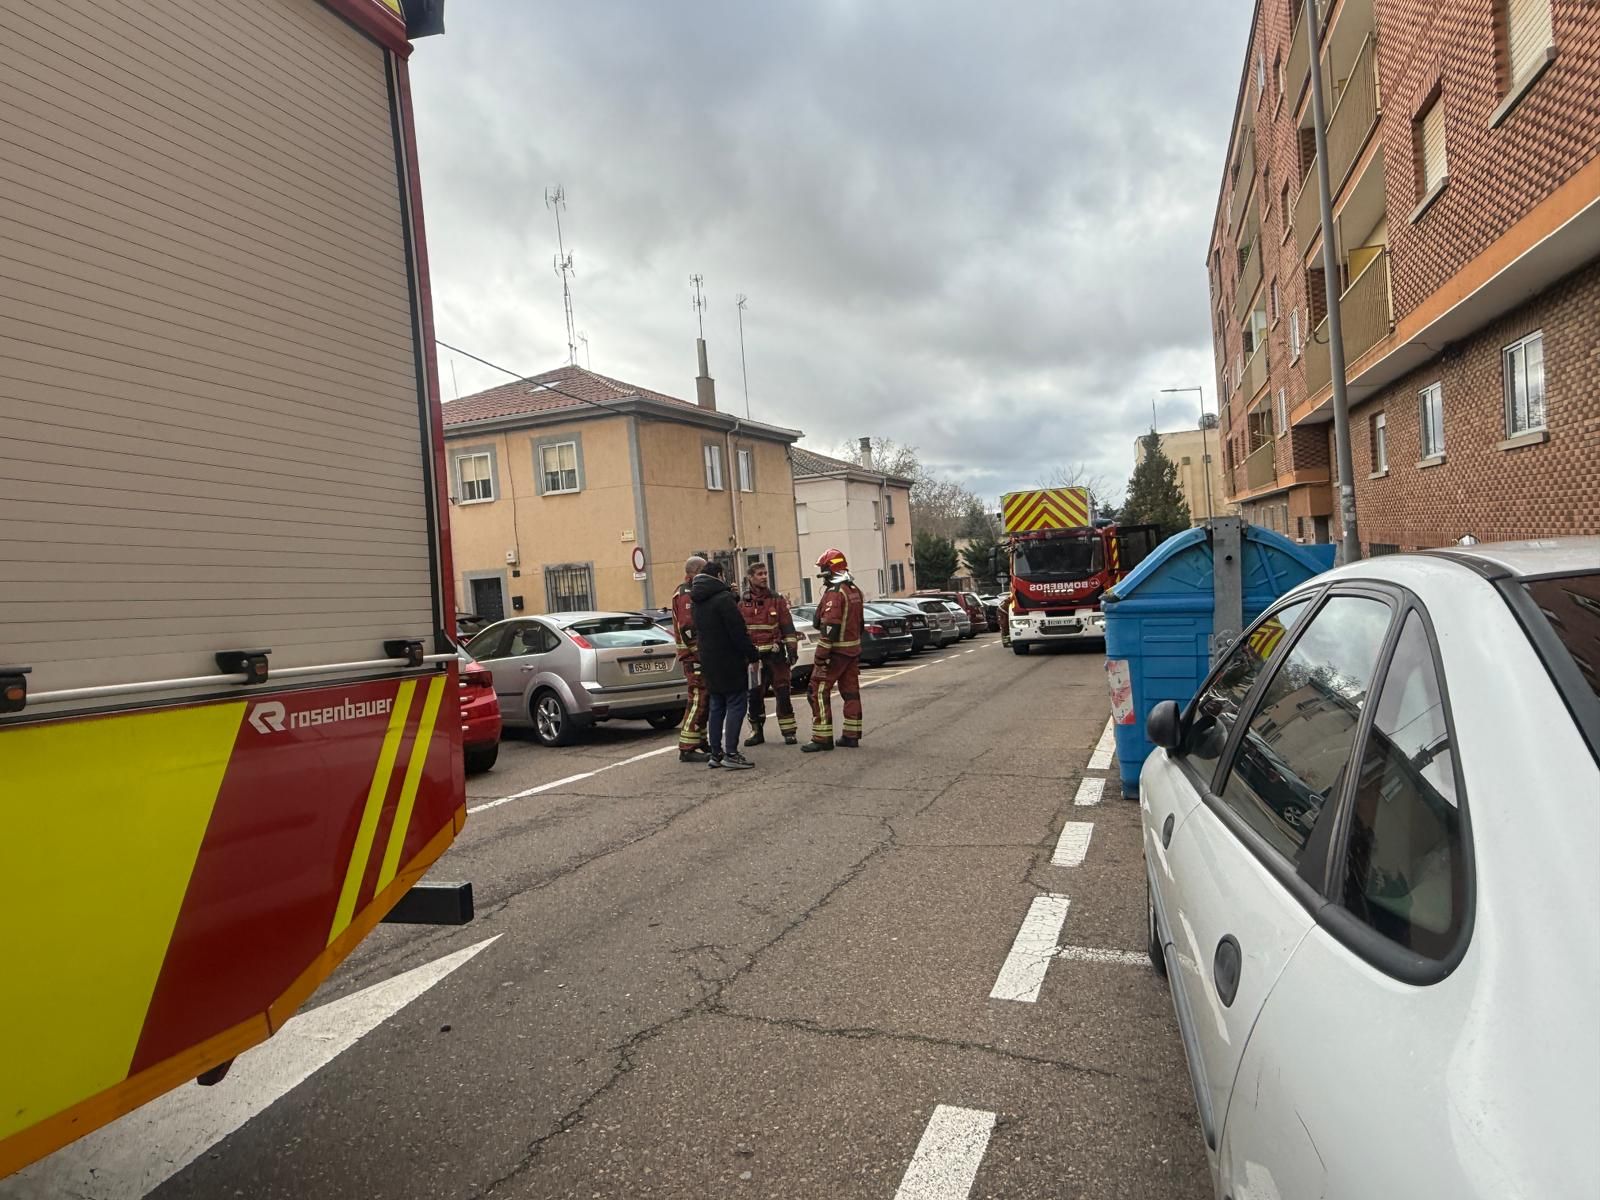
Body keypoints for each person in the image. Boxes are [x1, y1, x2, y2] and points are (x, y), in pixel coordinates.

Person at [690, 560, 759, 769]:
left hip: (709, 660)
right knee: (737, 703)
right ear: (720, 575)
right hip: (729, 660)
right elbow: (737, 632)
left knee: (716, 705)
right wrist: (752, 655)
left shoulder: (697, 600)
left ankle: (716, 753)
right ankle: (731, 752)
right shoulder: (723, 599)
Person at [803, 547, 864, 752]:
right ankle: (851, 735)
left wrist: (820, 658)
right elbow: (860, 624)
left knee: (817, 691)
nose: (822, 576)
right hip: (852, 652)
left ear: (831, 569)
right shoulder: (854, 590)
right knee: (851, 693)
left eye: (823, 570)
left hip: (835, 653)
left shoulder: (835, 594)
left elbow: (829, 627)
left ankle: (822, 738)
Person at [738, 561, 799, 746]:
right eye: (759, 574)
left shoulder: (776, 599)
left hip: (775, 656)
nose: (764, 576)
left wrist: (792, 650)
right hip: (754, 659)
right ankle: (757, 732)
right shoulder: (741, 601)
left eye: (765, 573)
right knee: (754, 695)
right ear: (750, 577)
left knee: (782, 692)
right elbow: (738, 630)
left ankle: (789, 732)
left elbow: (787, 626)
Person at [671, 553, 713, 763]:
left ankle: (700, 739)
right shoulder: (686, 594)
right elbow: (687, 627)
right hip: (693, 657)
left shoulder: (693, 592)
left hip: (696, 656)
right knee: (697, 699)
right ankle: (687, 747)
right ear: (695, 572)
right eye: (704, 571)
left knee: (704, 699)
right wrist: (700, 653)